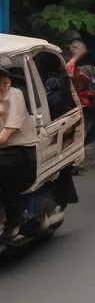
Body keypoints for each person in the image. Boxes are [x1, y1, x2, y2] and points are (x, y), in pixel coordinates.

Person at [0, 67, 36, 241]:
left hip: (21, 148)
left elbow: (6, 134)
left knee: (4, 166)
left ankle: (13, 221)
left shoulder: (15, 96)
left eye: (3, 82)